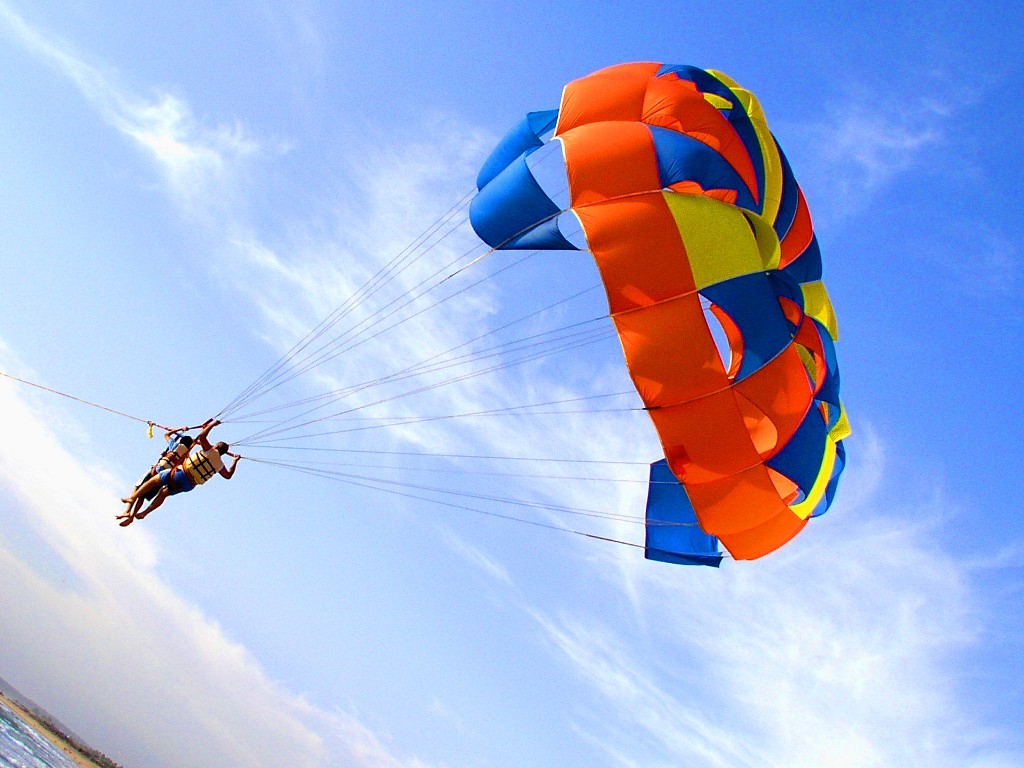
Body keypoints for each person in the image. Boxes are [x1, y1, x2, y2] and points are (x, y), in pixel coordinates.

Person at [118, 419, 240, 526]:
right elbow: (228, 475)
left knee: (154, 481)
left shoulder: (209, 451)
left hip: (180, 474)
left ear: (215, 447)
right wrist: (235, 461)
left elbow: (202, 436)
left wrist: (212, 425)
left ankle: (132, 497)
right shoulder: (220, 465)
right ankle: (145, 513)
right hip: (188, 485)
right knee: (163, 493)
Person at [119, 427, 195, 522]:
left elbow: (167, 434)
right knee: (142, 496)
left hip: (156, 472)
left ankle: (127, 511)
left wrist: (180, 429)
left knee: (137, 488)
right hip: (163, 478)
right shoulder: (187, 457)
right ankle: (131, 516)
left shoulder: (175, 445)